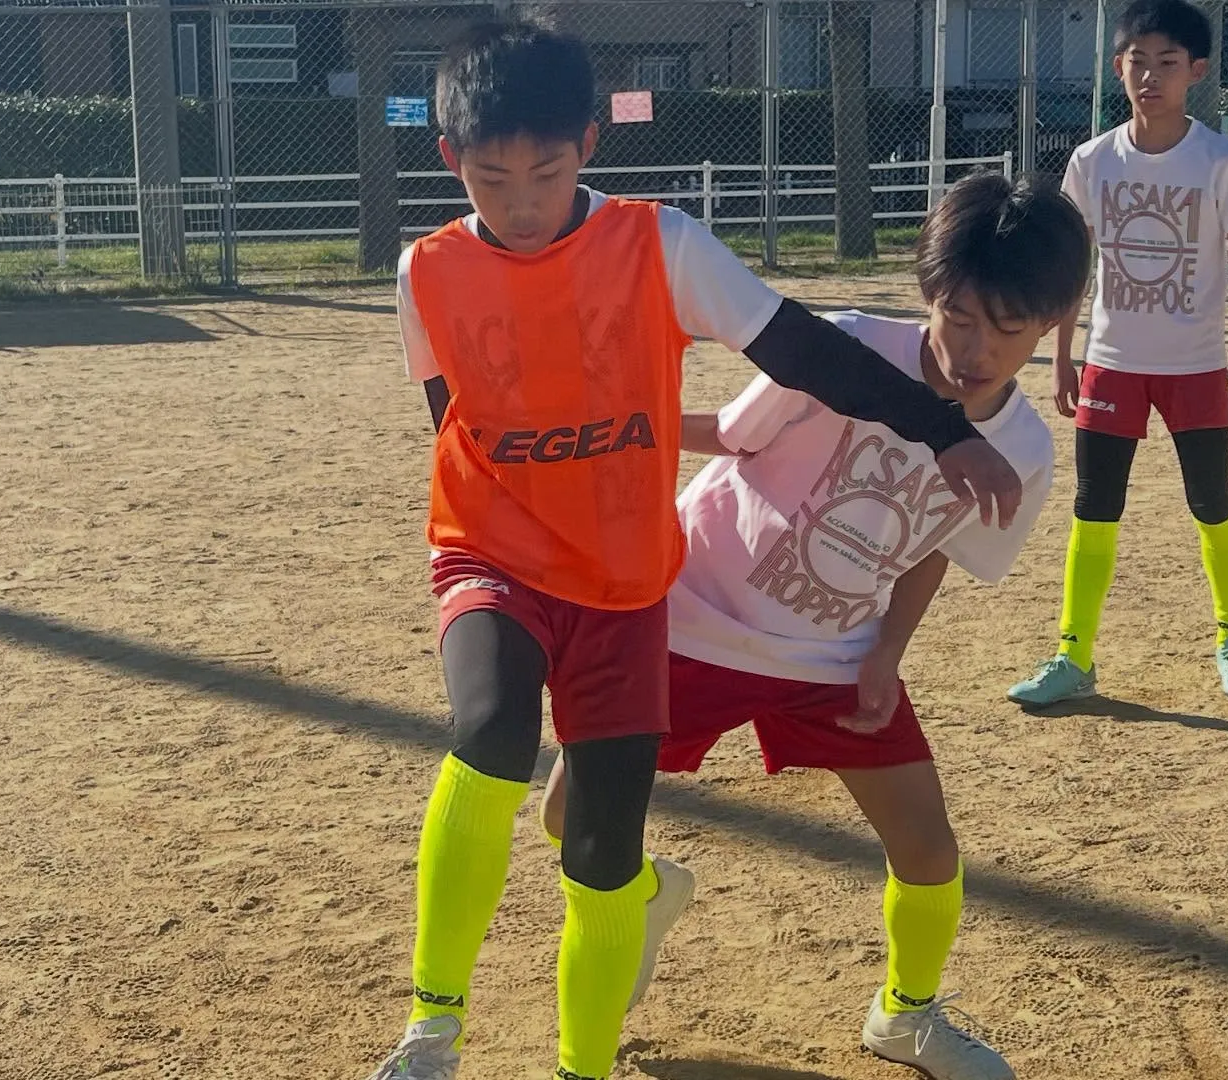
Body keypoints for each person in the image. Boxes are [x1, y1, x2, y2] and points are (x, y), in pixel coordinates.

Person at [367, 20, 1024, 1080]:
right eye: (493, 177)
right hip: (490, 552)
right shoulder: (426, 269)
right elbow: (450, 411)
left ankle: (584, 1066)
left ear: (589, 143)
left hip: (629, 585)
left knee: (601, 854)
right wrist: (502, 514)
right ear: (451, 160)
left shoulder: (659, 246)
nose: (523, 202)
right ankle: (432, 1028)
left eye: (546, 171)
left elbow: (801, 347)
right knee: (489, 731)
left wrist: (945, 428)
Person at [538, 171, 1091, 1080]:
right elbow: (730, 432)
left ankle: (906, 1016)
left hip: (831, 657)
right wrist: (610, 429)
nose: (976, 347)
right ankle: (643, 893)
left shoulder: (1023, 453)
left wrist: (886, 651)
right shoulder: (842, 350)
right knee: (568, 816)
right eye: (959, 315)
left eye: (1009, 327)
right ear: (929, 294)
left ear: (1054, 320)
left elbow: (934, 547)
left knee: (928, 846)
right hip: (685, 617)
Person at [1008, 0, 1228, 706]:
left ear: (1197, 71)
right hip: (1112, 362)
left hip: (1197, 368)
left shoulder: (1222, 161)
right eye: (1137, 60)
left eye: (1168, 62)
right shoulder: (1093, 161)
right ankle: (1073, 655)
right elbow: (1073, 264)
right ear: (1118, 66)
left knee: (1213, 501)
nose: (1150, 75)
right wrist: (1063, 356)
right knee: (1094, 506)